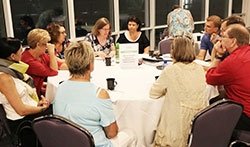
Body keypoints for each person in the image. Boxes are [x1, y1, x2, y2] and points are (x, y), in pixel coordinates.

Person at [53, 41, 136, 147]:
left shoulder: (60, 88)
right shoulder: (99, 94)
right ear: (90, 65)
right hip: (94, 144)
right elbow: (111, 133)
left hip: (67, 142)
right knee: (131, 134)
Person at [150, 36, 208, 147]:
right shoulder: (199, 69)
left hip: (176, 132)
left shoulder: (171, 70)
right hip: (199, 128)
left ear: (174, 51)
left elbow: (153, 93)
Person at [0, 37, 51, 146]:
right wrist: (41, 108)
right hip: (22, 123)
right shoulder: (4, 78)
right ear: (12, 56)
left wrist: (37, 104)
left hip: (29, 114)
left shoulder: (12, 70)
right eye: (20, 51)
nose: (23, 52)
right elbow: (21, 110)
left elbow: (23, 99)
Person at [206, 24, 250, 131]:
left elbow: (209, 78)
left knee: (207, 117)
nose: (220, 40)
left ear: (233, 41)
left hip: (245, 115)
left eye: (223, 36)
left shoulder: (233, 61)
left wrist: (218, 56)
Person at [21, 28, 67, 97]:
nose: (46, 47)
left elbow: (60, 64)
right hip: (33, 97)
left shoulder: (40, 55)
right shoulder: (28, 60)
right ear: (38, 45)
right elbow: (54, 71)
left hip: (39, 89)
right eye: (45, 44)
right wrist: (51, 52)